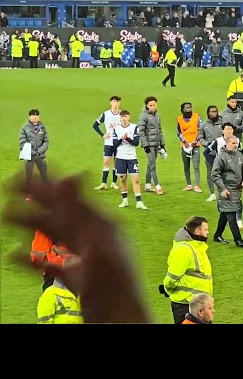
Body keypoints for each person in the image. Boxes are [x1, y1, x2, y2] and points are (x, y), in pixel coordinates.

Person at [2, 174, 150, 324]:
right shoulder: (81, 227)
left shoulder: (47, 229)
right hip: (85, 275)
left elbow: (36, 256)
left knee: (57, 310)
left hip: (58, 274)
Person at [159, 216, 213, 324]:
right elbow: (171, 279)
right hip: (186, 305)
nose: (208, 232)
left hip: (200, 304)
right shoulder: (184, 250)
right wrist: (167, 289)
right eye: (206, 230)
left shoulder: (199, 247)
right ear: (198, 231)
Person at [211, 135, 243, 247]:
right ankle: (238, 240)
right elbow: (215, 174)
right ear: (226, 143)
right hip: (226, 190)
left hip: (237, 190)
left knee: (225, 213)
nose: (235, 145)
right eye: (233, 143)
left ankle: (217, 235)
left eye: (236, 143)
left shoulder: (239, 155)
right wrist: (222, 188)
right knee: (231, 214)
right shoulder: (221, 157)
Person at [210, 123, 243, 228]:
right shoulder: (218, 142)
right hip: (225, 180)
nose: (229, 131)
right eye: (227, 129)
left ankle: (218, 234)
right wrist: (214, 164)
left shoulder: (238, 149)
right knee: (230, 210)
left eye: (231, 129)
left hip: (236, 184)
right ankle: (238, 237)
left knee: (233, 205)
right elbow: (208, 153)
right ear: (223, 131)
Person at [114, 111, 148, 210]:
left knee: (136, 180)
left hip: (132, 158)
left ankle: (139, 202)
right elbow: (115, 144)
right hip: (120, 157)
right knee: (123, 179)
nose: (124, 118)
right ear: (120, 118)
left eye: (126, 116)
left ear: (129, 118)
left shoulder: (134, 127)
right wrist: (121, 139)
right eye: (122, 117)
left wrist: (127, 138)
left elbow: (136, 143)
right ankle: (125, 201)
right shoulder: (116, 129)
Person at [138, 96, 166, 195]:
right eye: (151, 105)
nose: (153, 107)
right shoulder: (143, 116)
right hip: (149, 144)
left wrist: (162, 144)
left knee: (150, 164)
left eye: (154, 105)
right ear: (146, 105)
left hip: (156, 143)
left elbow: (160, 130)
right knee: (153, 165)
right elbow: (140, 131)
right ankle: (157, 185)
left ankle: (148, 185)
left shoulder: (157, 115)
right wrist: (145, 145)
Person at [92, 96, 121, 190]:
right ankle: (104, 183)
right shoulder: (106, 114)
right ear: (111, 103)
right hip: (108, 142)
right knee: (106, 162)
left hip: (118, 143)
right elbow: (95, 125)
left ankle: (114, 183)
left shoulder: (122, 114)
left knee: (116, 163)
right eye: (114, 101)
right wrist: (102, 134)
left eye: (118, 102)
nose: (116, 103)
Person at [19, 109, 49, 200]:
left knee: (44, 174)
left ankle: (44, 193)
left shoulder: (42, 127)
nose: (35, 117)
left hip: (40, 155)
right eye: (33, 115)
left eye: (37, 115)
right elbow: (22, 143)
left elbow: (46, 141)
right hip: (29, 156)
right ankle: (29, 195)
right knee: (29, 176)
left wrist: (40, 151)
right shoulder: (24, 128)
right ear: (29, 117)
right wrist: (33, 152)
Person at [198, 105, 223, 202]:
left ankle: (221, 192)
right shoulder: (204, 125)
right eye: (212, 111)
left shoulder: (222, 123)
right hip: (210, 154)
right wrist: (207, 144)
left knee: (222, 174)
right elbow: (200, 138)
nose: (214, 113)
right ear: (208, 113)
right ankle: (212, 193)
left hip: (221, 153)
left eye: (216, 111)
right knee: (210, 174)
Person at [177, 102, 202, 193]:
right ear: (182, 109)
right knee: (186, 165)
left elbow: (200, 130)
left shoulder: (197, 117)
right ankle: (189, 184)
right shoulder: (179, 119)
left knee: (196, 165)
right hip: (185, 146)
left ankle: (197, 185)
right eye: (186, 108)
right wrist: (185, 142)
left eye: (189, 107)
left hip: (195, 145)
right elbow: (179, 132)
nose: (188, 109)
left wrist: (194, 142)